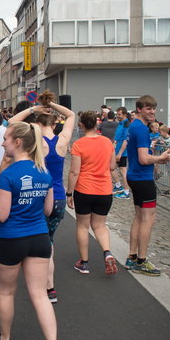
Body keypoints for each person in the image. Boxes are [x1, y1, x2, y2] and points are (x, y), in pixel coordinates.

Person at [0, 122, 60, 340]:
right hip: (39, 238)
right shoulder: (44, 171)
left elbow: (2, 215)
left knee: (7, 292)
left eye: (6, 138)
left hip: (11, 239)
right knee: (39, 294)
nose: (2, 142)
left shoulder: (8, 175)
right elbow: (48, 210)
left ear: (17, 142)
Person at [9, 96, 75, 303]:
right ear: (55, 123)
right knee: (49, 242)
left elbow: (12, 123)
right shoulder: (62, 141)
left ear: (37, 123)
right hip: (59, 198)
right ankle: (50, 288)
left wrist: (33, 108)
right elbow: (71, 115)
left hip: (39, 196)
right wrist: (52, 107)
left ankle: (37, 284)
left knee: (35, 241)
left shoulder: (36, 142)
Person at [66, 111, 118, 275]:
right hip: (104, 190)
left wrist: (69, 193)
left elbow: (74, 172)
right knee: (100, 226)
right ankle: (107, 252)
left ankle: (84, 262)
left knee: (83, 225)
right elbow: (112, 167)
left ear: (81, 125)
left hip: (85, 190)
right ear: (96, 125)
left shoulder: (79, 144)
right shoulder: (107, 142)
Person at [125, 95, 170, 276]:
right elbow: (144, 159)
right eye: (148, 108)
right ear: (139, 109)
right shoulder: (142, 129)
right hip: (142, 179)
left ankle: (132, 257)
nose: (152, 112)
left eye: (154, 108)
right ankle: (142, 261)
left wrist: (158, 160)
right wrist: (161, 158)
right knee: (148, 218)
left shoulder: (134, 126)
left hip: (135, 176)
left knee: (139, 217)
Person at [112, 107, 131, 199]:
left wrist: (120, 153)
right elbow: (117, 138)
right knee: (111, 167)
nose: (117, 116)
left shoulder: (126, 124)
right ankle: (118, 185)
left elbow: (125, 140)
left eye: (119, 114)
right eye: (117, 114)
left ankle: (126, 192)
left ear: (124, 114)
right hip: (116, 150)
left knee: (123, 171)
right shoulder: (120, 123)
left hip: (122, 152)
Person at [155, 125, 170, 195]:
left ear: (165, 132)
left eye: (160, 132)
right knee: (154, 163)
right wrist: (153, 143)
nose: (159, 133)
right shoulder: (161, 137)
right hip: (163, 156)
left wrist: (164, 145)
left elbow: (169, 150)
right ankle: (157, 175)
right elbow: (155, 141)